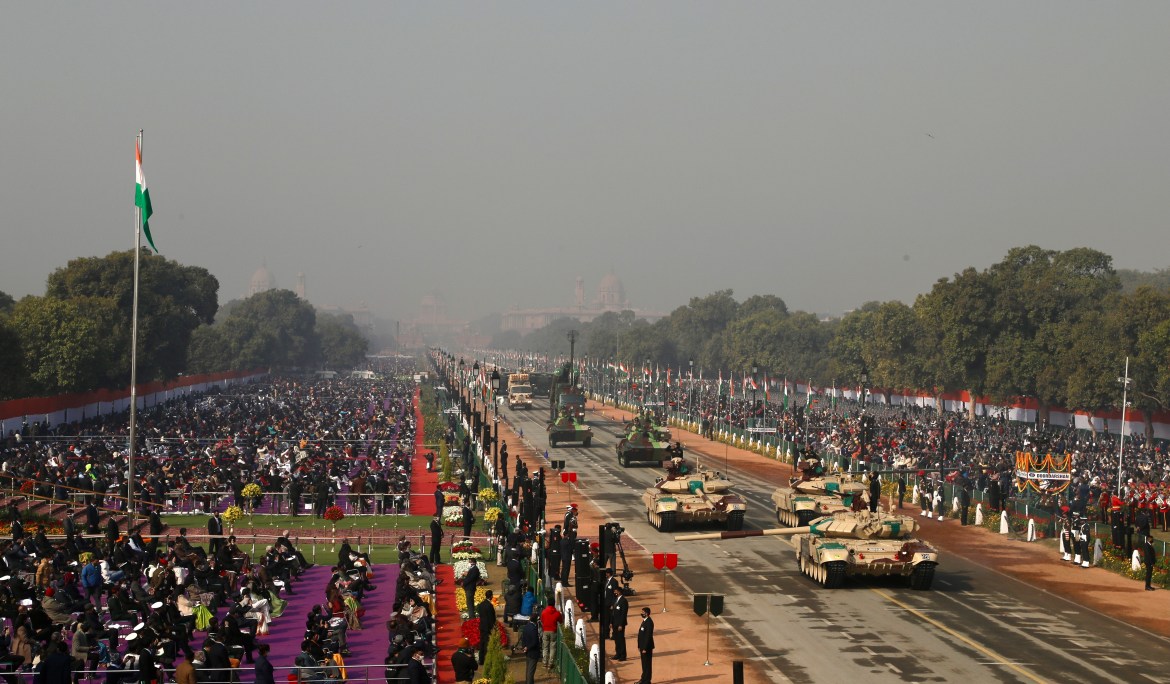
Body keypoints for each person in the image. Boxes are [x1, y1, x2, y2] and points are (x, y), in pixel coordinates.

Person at [519, 609, 541, 684]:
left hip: (528, 652)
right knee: (530, 672)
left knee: (528, 670)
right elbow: (535, 642)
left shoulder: (526, 626)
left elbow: (523, 638)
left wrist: (524, 647)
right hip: (533, 652)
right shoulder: (534, 629)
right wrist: (527, 647)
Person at [476, 590, 496, 665]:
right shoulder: (489, 606)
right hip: (488, 627)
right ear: (491, 596)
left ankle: (481, 659)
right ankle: (486, 659)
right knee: (487, 644)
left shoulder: (481, 604)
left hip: (482, 626)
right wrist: (493, 626)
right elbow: (491, 618)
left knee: (482, 643)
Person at [539, 601, 562, 669]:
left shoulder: (544, 612)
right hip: (553, 631)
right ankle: (550, 663)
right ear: (554, 604)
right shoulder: (557, 613)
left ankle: (544, 663)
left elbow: (542, 620)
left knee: (545, 647)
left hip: (545, 631)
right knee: (553, 647)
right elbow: (561, 621)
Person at [636, 606, 655, 684]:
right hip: (642, 647)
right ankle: (643, 679)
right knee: (644, 664)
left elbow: (648, 636)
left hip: (646, 648)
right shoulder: (644, 621)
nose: (641, 613)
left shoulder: (649, 622)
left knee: (647, 664)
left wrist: (644, 648)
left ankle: (647, 681)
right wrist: (639, 646)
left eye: (643, 612)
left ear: (646, 613)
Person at [610, 586, 628, 660]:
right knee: (616, 639)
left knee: (621, 639)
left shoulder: (623, 601)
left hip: (620, 624)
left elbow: (623, 614)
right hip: (614, 623)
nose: (614, 592)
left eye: (616, 591)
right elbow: (613, 612)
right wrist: (611, 622)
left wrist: (621, 624)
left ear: (619, 592)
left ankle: (623, 655)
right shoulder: (615, 600)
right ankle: (618, 654)